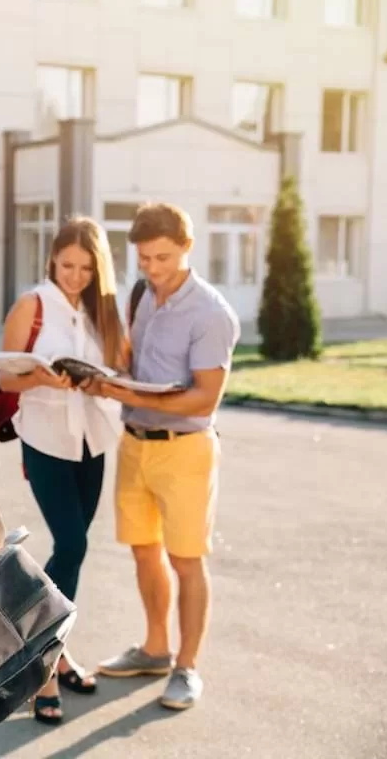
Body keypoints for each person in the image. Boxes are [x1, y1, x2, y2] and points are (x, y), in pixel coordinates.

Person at [87, 202, 240, 711]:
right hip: (135, 445)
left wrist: (134, 395)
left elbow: (205, 398)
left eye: (164, 257)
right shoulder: (142, 296)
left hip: (186, 451)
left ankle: (187, 667)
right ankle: (155, 648)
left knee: (186, 560)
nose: (153, 268)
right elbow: (133, 357)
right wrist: (110, 375)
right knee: (143, 551)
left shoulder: (211, 312)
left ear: (188, 248)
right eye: (145, 258)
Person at [0, 217, 125, 725]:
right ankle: (41, 664)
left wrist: (99, 382)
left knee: (72, 553)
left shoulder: (101, 311)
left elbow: (117, 368)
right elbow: (4, 374)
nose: (75, 276)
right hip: (46, 439)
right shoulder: (32, 304)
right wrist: (42, 376)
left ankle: (58, 649)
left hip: (94, 441)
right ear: (52, 260)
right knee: (71, 545)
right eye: (67, 266)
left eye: (86, 269)